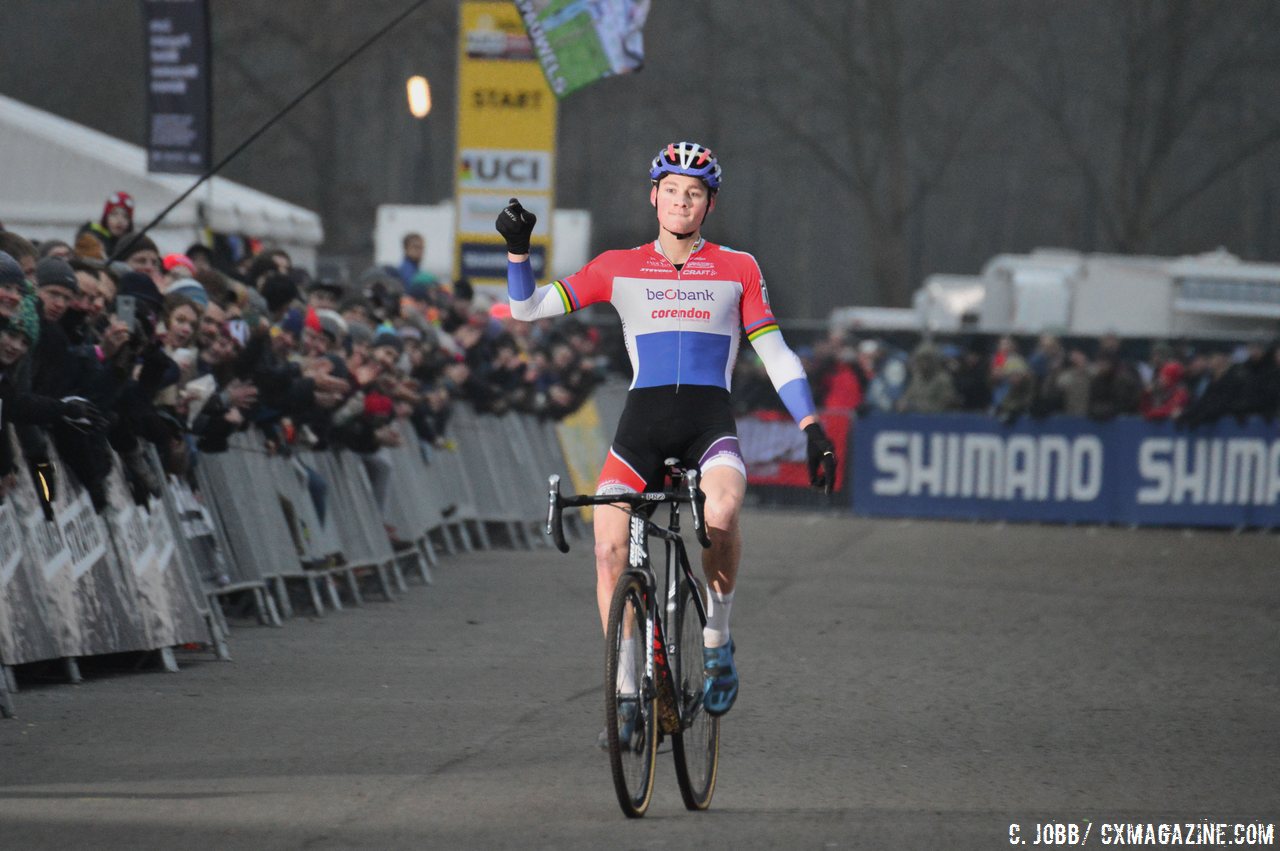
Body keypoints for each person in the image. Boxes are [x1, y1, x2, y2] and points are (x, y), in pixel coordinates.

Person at [496, 141, 835, 728]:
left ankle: (717, 638)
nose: (682, 201)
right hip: (641, 429)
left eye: (695, 193)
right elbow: (526, 310)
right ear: (654, 197)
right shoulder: (616, 264)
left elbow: (775, 354)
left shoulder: (739, 268)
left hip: (709, 424)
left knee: (722, 516)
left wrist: (811, 425)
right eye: (672, 190)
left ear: (709, 206)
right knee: (606, 549)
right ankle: (628, 689)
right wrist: (518, 251)